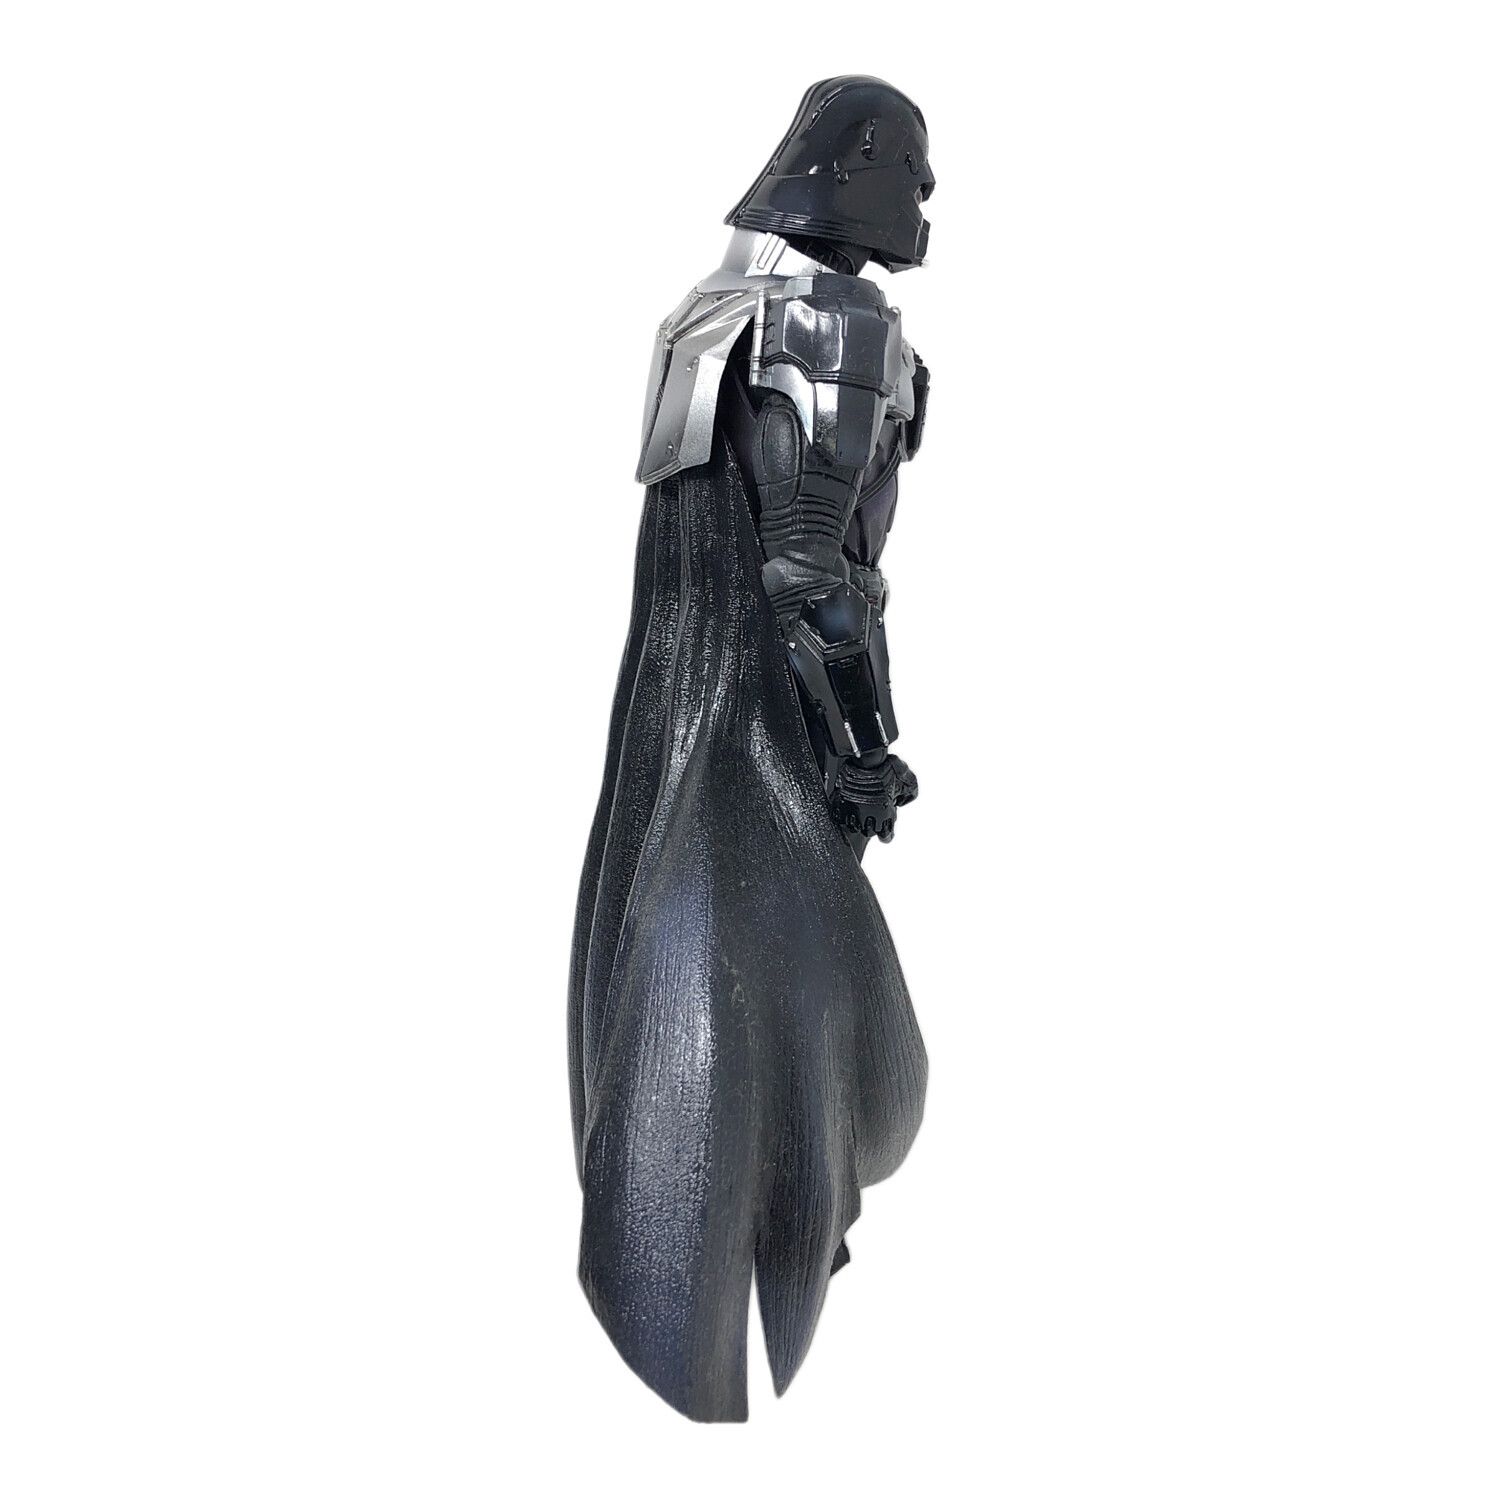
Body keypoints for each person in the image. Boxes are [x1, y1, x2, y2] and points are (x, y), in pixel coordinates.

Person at [568, 76, 937, 1421]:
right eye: (915, 168)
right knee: (816, 1043)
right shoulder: (831, 326)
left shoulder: (707, 312)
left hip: (669, 734)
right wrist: (863, 740)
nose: (927, 200)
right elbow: (808, 573)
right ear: (859, 166)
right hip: (757, 745)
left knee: (712, 1023)